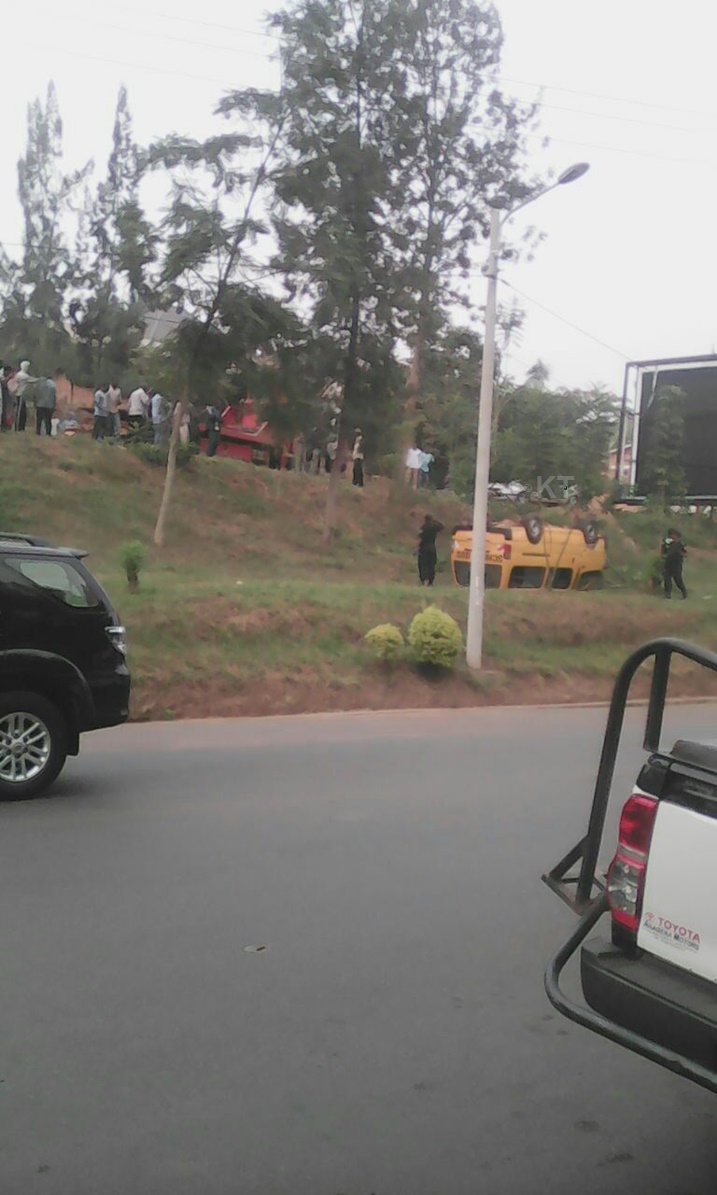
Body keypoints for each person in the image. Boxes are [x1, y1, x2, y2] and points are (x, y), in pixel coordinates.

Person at [417, 513, 444, 587]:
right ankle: (430, 582)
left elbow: (420, 538)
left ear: (425, 519)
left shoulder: (423, 527)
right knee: (431, 565)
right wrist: (436, 521)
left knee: (423, 564)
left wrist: (416, 548)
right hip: (432, 547)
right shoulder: (434, 527)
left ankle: (423, 580)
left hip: (423, 548)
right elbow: (442, 527)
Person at [661, 527, 688, 599]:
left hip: (676, 565)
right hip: (668, 564)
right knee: (667, 580)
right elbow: (663, 552)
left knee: (678, 580)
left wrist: (679, 552)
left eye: (674, 535)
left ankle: (684, 593)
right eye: (671, 535)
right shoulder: (667, 543)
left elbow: (685, 554)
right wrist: (665, 556)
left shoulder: (680, 544)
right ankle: (667, 594)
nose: (673, 536)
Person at [14, 360, 36, 432]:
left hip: (23, 396)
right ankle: (18, 427)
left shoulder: (23, 375)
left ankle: (21, 427)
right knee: (20, 412)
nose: (28, 368)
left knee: (23, 412)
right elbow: (32, 380)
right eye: (27, 367)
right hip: (20, 395)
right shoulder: (21, 375)